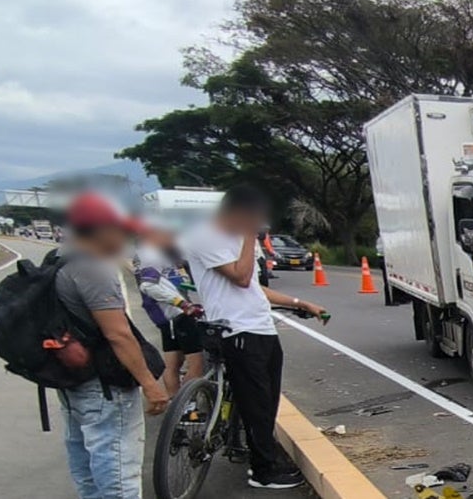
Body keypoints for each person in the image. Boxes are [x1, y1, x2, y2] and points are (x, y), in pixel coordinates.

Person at [181, 185, 328, 490]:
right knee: (257, 404)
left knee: (267, 399)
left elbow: (254, 288)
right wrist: (249, 237)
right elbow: (241, 276)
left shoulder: (238, 239)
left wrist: (301, 303)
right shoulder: (206, 236)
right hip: (237, 330)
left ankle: (262, 454)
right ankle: (263, 470)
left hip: (261, 327)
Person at [55, 193, 170, 498]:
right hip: (104, 386)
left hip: (73, 380)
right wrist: (150, 383)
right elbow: (118, 334)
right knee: (118, 467)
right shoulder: (93, 268)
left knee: (86, 463)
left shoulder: (59, 259)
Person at [133, 220, 205, 396]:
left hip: (167, 315)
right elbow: (148, 286)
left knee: (173, 363)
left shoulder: (149, 253)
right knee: (196, 363)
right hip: (175, 313)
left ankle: (176, 407)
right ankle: (187, 407)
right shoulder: (151, 255)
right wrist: (183, 304)